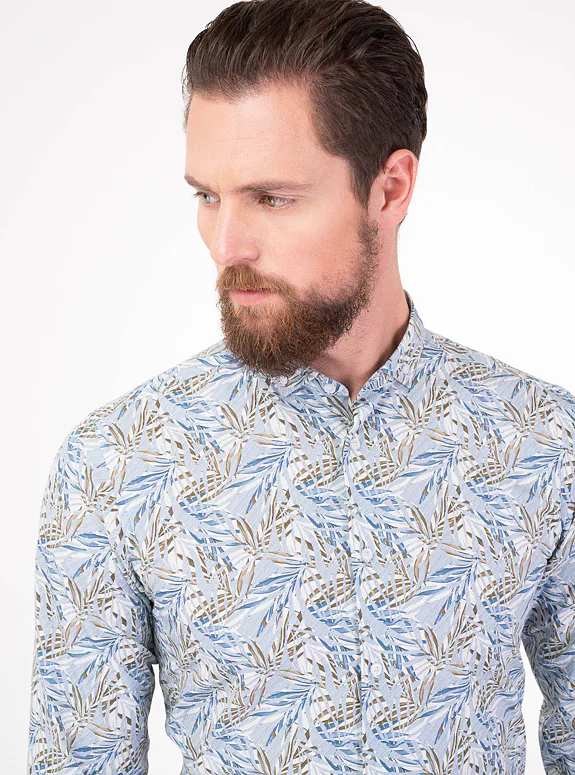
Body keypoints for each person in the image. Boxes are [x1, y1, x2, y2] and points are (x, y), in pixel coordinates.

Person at [27, 0, 575, 773]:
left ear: (389, 189)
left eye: (271, 197)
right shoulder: (116, 463)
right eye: (206, 195)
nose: (226, 245)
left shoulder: (543, 443)